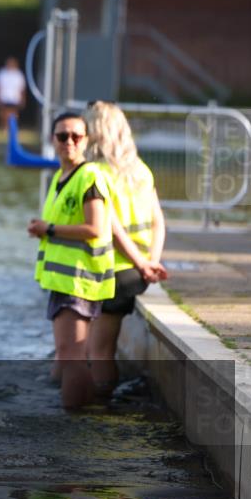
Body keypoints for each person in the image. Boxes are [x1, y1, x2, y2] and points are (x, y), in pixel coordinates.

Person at [28, 112, 114, 410]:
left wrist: (48, 229)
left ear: (87, 140)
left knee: (71, 357)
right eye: (62, 136)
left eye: (76, 136)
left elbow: (95, 228)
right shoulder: (59, 178)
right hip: (63, 281)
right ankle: (84, 411)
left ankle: (78, 421)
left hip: (79, 280)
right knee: (67, 356)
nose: (70, 142)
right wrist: (43, 229)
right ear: (52, 140)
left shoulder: (89, 176)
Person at [84, 101, 167, 399]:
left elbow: (112, 228)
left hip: (114, 271)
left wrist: (140, 263)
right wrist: (151, 262)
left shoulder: (95, 172)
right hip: (138, 271)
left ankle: (100, 407)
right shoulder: (140, 171)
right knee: (102, 345)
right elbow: (159, 220)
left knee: (100, 350)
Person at [0, 57, 26, 130]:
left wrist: (23, 99)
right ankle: (4, 127)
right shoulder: (1, 73)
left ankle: (12, 127)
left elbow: (22, 88)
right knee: (3, 113)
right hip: (4, 97)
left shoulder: (18, 74)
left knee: (13, 113)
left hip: (14, 97)